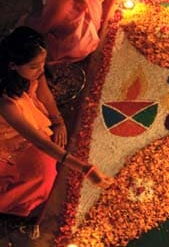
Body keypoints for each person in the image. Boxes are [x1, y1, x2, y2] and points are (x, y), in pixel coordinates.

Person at [0, 27, 111, 235]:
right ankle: (12, 212)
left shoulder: (33, 70)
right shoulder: (5, 103)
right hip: (10, 139)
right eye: (34, 66)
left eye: (42, 62)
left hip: (30, 120)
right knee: (44, 173)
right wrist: (86, 169)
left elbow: (44, 92)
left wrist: (57, 120)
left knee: (51, 157)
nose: (41, 69)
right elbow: (39, 141)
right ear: (13, 65)